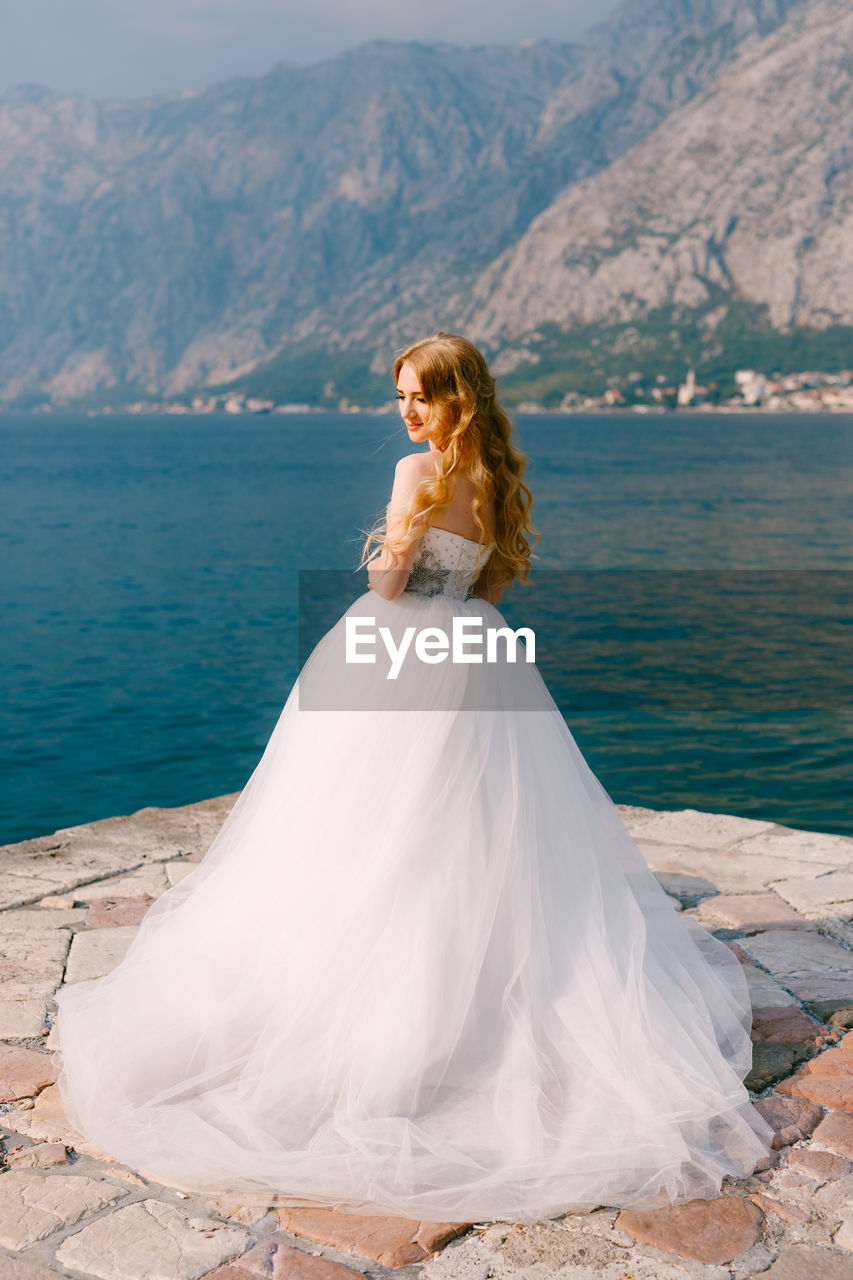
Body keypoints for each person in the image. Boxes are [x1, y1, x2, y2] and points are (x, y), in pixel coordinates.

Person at [54, 332, 774, 1226]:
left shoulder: (414, 472)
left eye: (418, 397)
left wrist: (384, 546)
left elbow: (391, 583)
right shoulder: (499, 474)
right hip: (474, 652)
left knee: (366, 824)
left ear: (453, 399)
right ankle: (467, 993)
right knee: (471, 829)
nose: (404, 412)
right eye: (399, 396)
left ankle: (382, 1005)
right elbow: (488, 590)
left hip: (396, 650)